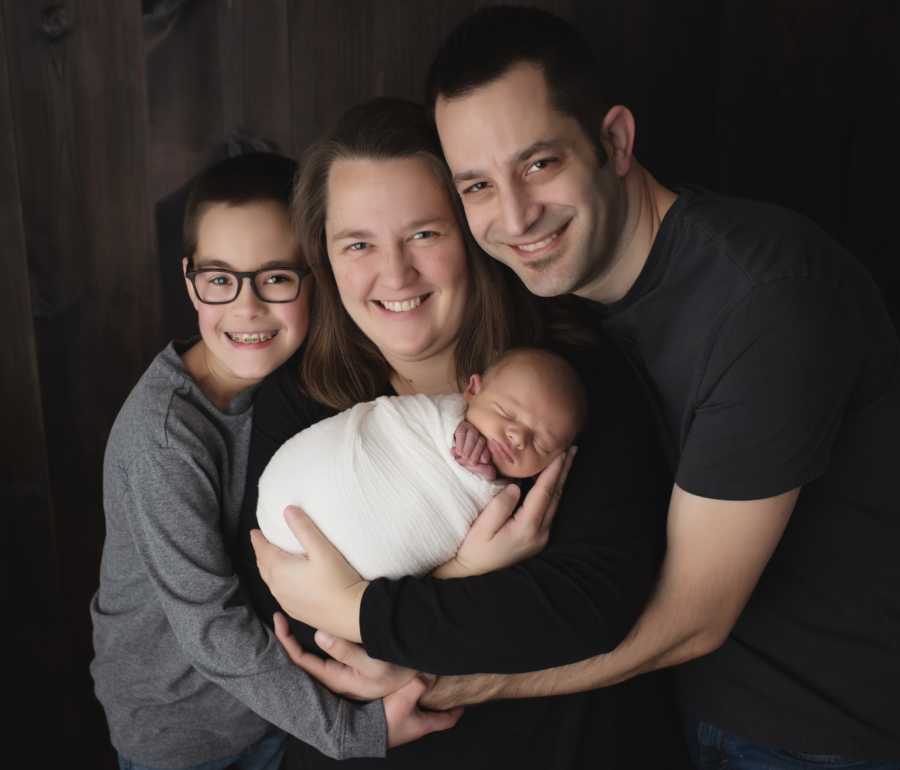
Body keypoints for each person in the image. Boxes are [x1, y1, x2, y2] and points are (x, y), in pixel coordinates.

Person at [376, 5, 898, 767]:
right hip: (668, 707)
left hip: (815, 729)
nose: (514, 216)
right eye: (477, 186)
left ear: (614, 142)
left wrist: (455, 682)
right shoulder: (551, 308)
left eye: (538, 164)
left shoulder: (767, 295)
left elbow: (694, 617)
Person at [237, 97, 681, 769]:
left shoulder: (565, 381)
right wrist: (464, 575)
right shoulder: (302, 399)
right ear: (324, 258)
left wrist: (369, 621)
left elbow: (591, 604)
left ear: (471, 232)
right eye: (358, 243)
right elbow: (291, 611)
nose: (395, 274)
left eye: (425, 234)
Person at [89, 152, 458, 770]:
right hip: (186, 736)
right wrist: (350, 732)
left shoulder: (292, 384)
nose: (246, 307)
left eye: (276, 278)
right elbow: (210, 628)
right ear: (189, 282)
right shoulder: (163, 439)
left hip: (277, 709)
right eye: (219, 279)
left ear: (314, 276)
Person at [256, 346, 587, 580]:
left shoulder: (523, 509)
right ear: (472, 390)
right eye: (506, 413)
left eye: (541, 443)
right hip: (298, 505)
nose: (517, 437)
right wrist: (454, 433)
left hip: (364, 591)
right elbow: (410, 425)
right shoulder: (437, 416)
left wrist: (482, 485)